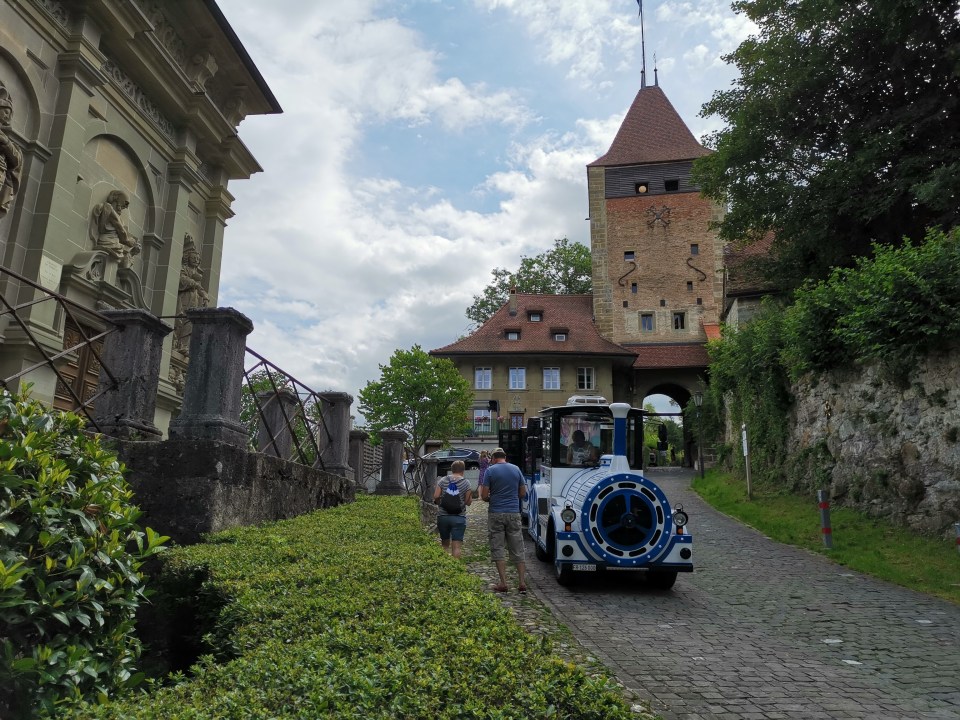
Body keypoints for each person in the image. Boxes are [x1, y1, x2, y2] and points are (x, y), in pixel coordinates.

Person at [480, 447, 526, 593]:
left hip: (496, 513)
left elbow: (484, 495)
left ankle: (503, 583)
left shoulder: (490, 471)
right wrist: (512, 497)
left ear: (493, 458)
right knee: (517, 547)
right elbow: (523, 492)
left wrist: (493, 498)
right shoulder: (516, 469)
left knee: (498, 547)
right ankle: (522, 583)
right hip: (513, 513)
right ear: (505, 457)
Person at [433, 459, 472, 559]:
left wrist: (440, 504)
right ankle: (455, 566)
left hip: (443, 517)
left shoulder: (442, 480)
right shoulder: (466, 483)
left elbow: (436, 496)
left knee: (444, 544)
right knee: (456, 547)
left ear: (452, 469)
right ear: (463, 470)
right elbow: (468, 502)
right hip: (459, 517)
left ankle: (444, 565)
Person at [0, 84, 22, 219]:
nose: (7, 115)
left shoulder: (5, 138)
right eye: (5, 111)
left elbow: (16, 161)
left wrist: (6, 143)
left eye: (9, 113)